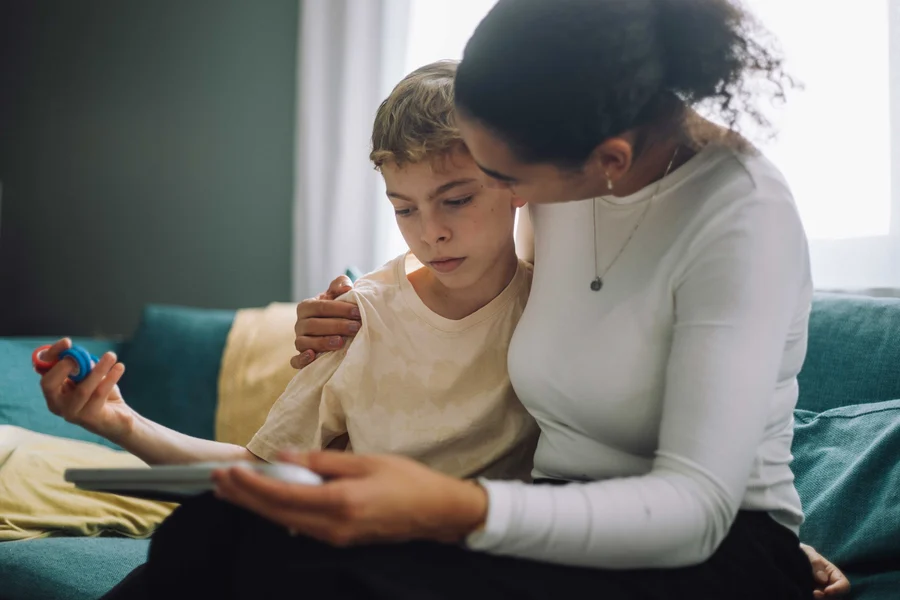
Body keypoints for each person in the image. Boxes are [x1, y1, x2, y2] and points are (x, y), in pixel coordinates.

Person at [101, 1, 851, 598]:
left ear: (609, 162)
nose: (501, 198)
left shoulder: (740, 219)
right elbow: (450, 275)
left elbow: (698, 506)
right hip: (544, 518)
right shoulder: (570, 149)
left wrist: (448, 508)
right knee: (218, 532)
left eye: (503, 182)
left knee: (312, 573)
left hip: (707, 552)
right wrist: (347, 309)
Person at [37, 61, 537, 481]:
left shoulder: (552, 306)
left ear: (517, 181)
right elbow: (261, 469)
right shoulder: (359, 318)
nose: (431, 233)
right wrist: (116, 420)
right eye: (405, 209)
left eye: (456, 199)